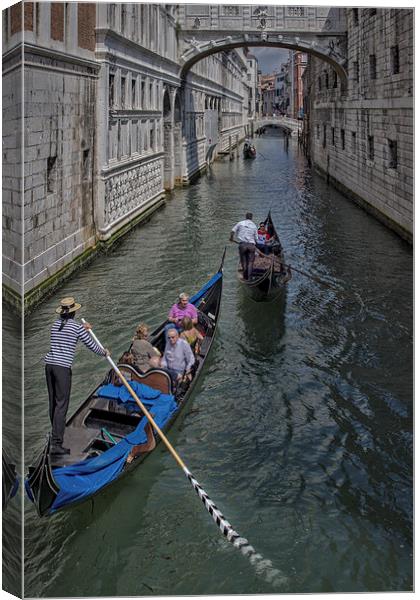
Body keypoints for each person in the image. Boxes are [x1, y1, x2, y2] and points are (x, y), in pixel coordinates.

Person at [45, 297, 109, 455]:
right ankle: (57, 444)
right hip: (62, 368)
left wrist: (83, 327)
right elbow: (91, 344)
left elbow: (69, 330)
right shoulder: (76, 327)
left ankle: (54, 436)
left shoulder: (55, 325)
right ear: (73, 312)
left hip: (49, 366)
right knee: (62, 405)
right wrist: (104, 352)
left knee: (53, 403)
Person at [230, 212, 258, 280]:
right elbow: (256, 239)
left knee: (243, 261)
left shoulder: (240, 223)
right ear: (251, 217)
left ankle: (245, 277)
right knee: (251, 262)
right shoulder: (254, 226)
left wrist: (231, 238)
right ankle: (249, 278)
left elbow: (232, 231)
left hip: (243, 245)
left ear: (245, 217)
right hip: (251, 246)